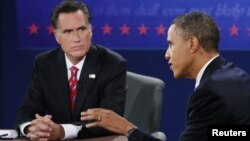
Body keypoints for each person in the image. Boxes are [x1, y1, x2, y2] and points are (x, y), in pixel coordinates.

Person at [80, 12, 250, 141]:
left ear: (192, 43)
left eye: (171, 44)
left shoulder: (209, 91)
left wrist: (127, 129)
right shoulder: (238, 77)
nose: (167, 55)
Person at [16, 0, 127, 140]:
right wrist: (32, 128)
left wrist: (63, 131)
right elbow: (27, 110)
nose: (76, 38)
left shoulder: (113, 64)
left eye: (81, 29)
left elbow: (107, 121)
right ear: (57, 36)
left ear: (90, 31)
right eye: (68, 32)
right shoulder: (44, 64)